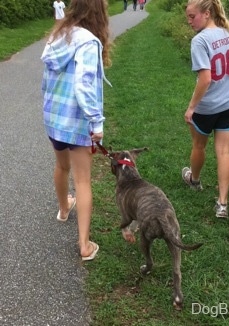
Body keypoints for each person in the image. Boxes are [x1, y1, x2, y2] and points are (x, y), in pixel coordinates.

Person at [41, 0, 111, 260]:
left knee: (62, 166)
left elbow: (46, 81)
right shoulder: (89, 42)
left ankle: (63, 209)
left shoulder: (58, 34)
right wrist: (96, 122)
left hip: (54, 117)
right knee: (82, 181)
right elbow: (84, 86)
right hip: (77, 121)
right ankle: (84, 245)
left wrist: (47, 111)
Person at [182, 0, 229, 219]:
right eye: (188, 17)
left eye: (192, 17)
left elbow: (205, 79)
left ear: (207, 13)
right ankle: (222, 204)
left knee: (199, 145)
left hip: (207, 108)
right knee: (224, 152)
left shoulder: (199, 41)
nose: (189, 21)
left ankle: (195, 180)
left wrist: (191, 108)